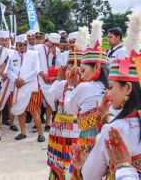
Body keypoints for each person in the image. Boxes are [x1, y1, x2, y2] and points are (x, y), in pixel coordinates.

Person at [72, 12, 141, 180]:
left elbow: (90, 175)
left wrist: (81, 167)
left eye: (110, 87)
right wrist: (104, 116)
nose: (107, 93)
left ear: (128, 89)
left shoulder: (113, 130)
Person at [64, 21, 109, 179]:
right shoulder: (112, 89)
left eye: (83, 70)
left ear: (96, 68)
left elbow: (70, 108)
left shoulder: (84, 87)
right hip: (108, 144)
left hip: (88, 143)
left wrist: (70, 86)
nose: (81, 74)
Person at [47, 27, 86, 179]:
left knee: (74, 165)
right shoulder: (62, 84)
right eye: (70, 65)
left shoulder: (86, 87)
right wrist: (59, 78)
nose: (72, 68)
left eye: (76, 65)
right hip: (60, 131)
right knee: (59, 164)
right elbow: (52, 95)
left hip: (77, 133)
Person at [7, 34, 43, 141]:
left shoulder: (34, 54)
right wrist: (15, 79)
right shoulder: (13, 57)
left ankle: (40, 133)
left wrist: (23, 80)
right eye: (20, 45)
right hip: (18, 87)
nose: (23, 46)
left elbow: (36, 70)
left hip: (30, 87)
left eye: (24, 44)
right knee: (20, 111)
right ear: (16, 45)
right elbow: (9, 71)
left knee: (33, 111)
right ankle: (23, 132)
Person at [34, 33, 63, 133]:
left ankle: (47, 124)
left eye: (56, 44)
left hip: (52, 79)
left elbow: (59, 66)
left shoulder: (57, 50)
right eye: (52, 43)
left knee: (51, 102)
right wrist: (42, 74)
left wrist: (55, 55)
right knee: (38, 102)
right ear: (48, 40)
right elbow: (35, 63)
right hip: (39, 78)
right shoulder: (37, 48)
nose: (53, 46)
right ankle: (37, 125)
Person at [0, 30, 17, 129]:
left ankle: (11, 123)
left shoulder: (13, 52)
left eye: (6, 40)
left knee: (11, 103)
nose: (4, 42)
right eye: (2, 40)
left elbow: (15, 66)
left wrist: (7, 74)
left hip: (10, 81)